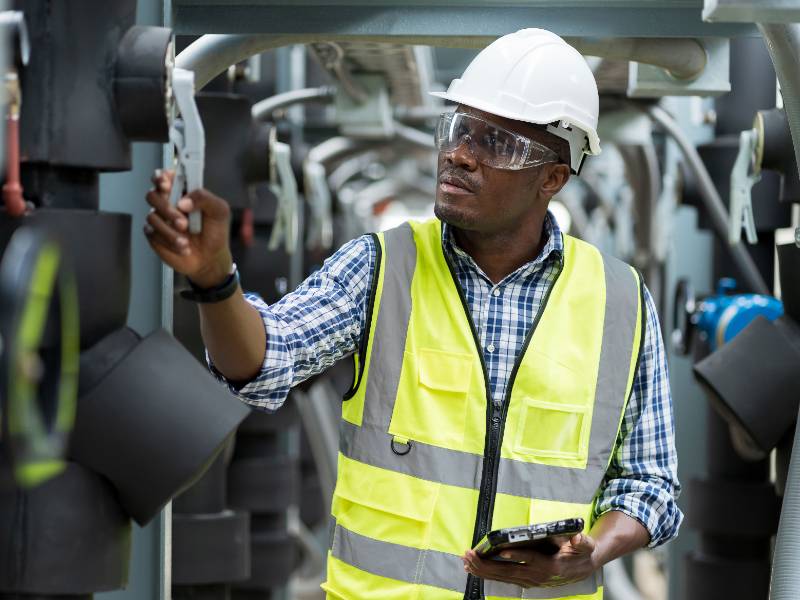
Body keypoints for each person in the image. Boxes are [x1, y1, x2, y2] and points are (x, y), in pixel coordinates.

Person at [145, 28, 681, 600]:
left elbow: (651, 484)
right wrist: (216, 282)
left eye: (496, 143)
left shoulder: (619, 301)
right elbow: (262, 361)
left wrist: (590, 554)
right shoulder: (382, 268)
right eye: (457, 129)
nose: (459, 154)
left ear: (551, 177)